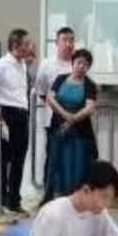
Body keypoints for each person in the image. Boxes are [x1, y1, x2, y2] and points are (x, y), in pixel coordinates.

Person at [0, 28, 35, 217]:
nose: (29, 47)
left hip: (22, 114)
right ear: (15, 45)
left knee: (19, 159)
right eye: (26, 44)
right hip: (5, 113)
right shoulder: (0, 65)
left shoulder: (23, 64)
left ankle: (14, 201)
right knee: (3, 159)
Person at [44, 48, 98, 200]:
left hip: (80, 133)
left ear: (88, 67)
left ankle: (77, 199)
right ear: (72, 63)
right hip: (59, 130)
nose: (81, 66)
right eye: (79, 62)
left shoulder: (90, 85)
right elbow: (50, 98)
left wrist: (72, 119)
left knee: (77, 166)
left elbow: (90, 107)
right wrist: (65, 115)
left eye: (85, 64)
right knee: (56, 164)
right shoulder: (60, 79)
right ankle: (55, 198)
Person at [34, 27, 75, 200]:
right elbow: (42, 91)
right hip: (53, 118)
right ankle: (48, 195)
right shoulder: (46, 64)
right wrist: (59, 109)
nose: (68, 44)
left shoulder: (78, 63)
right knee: (53, 156)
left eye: (71, 40)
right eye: (65, 40)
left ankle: (70, 194)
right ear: (57, 43)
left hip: (75, 119)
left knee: (73, 157)